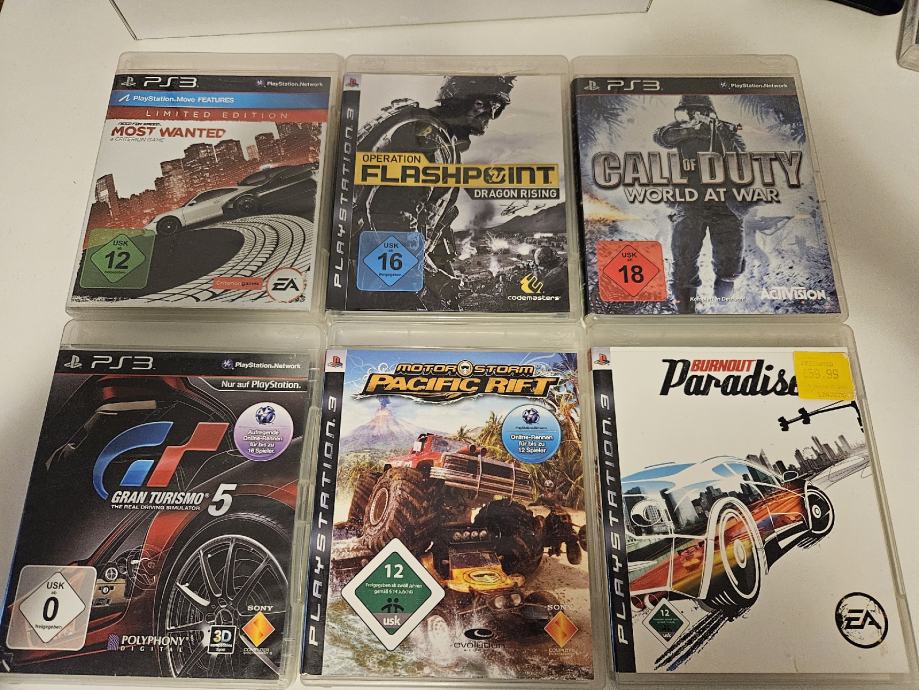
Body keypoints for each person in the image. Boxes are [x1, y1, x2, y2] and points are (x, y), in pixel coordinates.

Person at [351, 75, 516, 310]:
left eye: (496, 107)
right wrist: (432, 280)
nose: (490, 114)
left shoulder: (431, 134)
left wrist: (439, 271)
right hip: (374, 275)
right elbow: (391, 224)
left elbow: (427, 221)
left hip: (380, 268)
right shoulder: (426, 140)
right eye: (484, 104)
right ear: (461, 99)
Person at [653, 95, 749, 313]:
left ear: (709, 112)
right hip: (690, 202)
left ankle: (724, 307)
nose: (694, 115)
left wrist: (722, 136)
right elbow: (661, 137)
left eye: (700, 111)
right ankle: (686, 314)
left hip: (724, 203)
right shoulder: (679, 129)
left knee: (729, 265)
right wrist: (691, 131)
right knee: (684, 261)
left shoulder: (726, 130)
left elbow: (741, 157)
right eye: (690, 111)